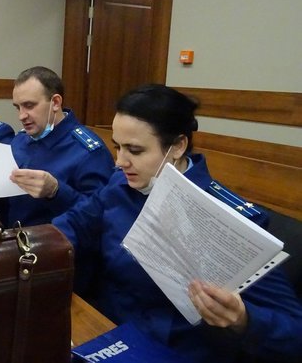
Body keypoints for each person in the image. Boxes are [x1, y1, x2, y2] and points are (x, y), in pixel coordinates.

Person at [53, 84, 302, 362]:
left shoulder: (229, 221)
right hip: (108, 329)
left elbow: (294, 331)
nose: (120, 162)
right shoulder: (120, 184)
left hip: (173, 350)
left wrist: (244, 319)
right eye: (117, 147)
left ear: (178, 146)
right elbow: (75, 222)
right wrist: (38, 246)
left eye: (134, 150)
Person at [0, 66, 115, 226]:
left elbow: (99, 217)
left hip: (57, 245)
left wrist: (56, 191)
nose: (21, 116)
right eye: (18, 107)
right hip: (14, 235)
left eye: (29, 106)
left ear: (55, 103)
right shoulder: (23, 138)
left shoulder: (88, 151)